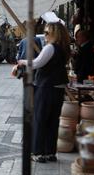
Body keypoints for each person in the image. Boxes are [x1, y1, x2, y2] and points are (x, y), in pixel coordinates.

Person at [18, 22, 70, 163]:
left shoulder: (50, 48)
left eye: (47, 32)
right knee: (53, 121)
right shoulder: (64, 48)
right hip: (58, 89)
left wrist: (22, 61)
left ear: (55, 33)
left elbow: (36, 63)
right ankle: (49, 152)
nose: (45, 35)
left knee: (40, 120)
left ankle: (38, 152)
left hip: (46, 88)